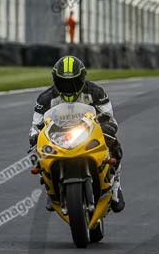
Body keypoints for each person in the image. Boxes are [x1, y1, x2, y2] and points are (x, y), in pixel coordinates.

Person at [29, 55, 125, 212]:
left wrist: (108, 128)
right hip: (57, 137)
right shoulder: (45, 98)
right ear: (55, 80)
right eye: (63, 82)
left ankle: (115, 186)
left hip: (88, 133)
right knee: (38, 154)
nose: (69, 86)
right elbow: (36, 125)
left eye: (74, 82)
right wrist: (34, 138)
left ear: (82, 78)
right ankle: (51, 188)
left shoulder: (96, 92)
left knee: (115, 145)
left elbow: (110, 118)